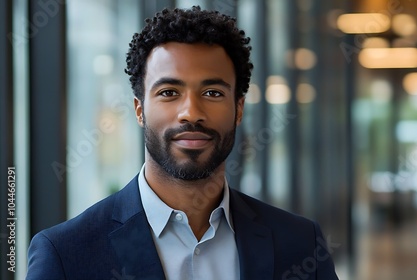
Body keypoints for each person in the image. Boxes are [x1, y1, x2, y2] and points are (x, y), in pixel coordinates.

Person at [26, 6, 339, 280]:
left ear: (239, 109)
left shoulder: (299, 243)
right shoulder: (66, 254)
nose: (191, 113)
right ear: (139, 110)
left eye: (213, 93)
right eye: (169, 93)